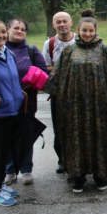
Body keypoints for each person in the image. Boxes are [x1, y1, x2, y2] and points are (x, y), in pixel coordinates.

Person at [44, 10, 107, 193]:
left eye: (91, 31)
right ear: (78, 30)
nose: (87, 34)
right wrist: (48, 87)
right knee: (77, 138)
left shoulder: (104, 50)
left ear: (95, 31)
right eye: (84, 30)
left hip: (99, 106)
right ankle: (78, 176)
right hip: (75, 106)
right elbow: (58, 76)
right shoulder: (69, 51)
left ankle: (101, 175)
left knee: (100, 137)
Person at [4, 19, 49, 186]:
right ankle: (9, 171)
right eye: (16, 28)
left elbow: (43, 72)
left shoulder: (31, 50)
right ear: (7, 29)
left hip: (26, 101)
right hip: (4, 103)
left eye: (23, 29)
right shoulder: (0, 50)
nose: (19, 31)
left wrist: (33, 79)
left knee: (25, 135)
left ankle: (26, 169)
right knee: (7, 137)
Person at [0, 20, 25, 206]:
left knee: (4, 152)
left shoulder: (8, 53)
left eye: (3, 32)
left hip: (10, 113)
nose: (1, 36)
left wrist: (19, 96)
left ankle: (0, 184)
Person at [42, 11, 75, 174]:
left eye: (64, 21)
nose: (62, 24)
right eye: (58, 22)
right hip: (58, 93)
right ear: (53, 25)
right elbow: (45, 67)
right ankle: (62, 159)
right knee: (59, 127)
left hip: (79, 93)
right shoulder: (50, 43)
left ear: (71, 23)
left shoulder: (80, 39)